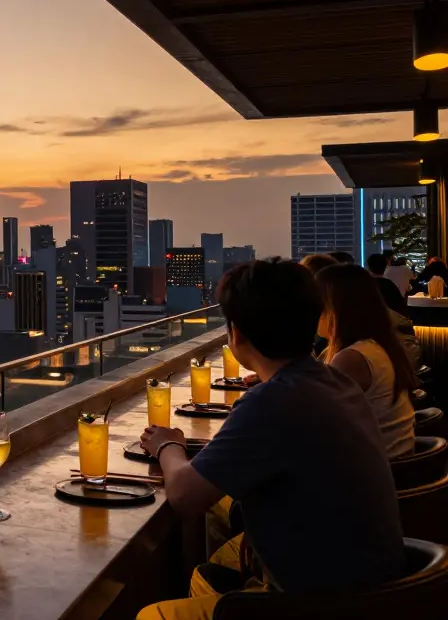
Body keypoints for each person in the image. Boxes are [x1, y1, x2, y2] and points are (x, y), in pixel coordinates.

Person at [136, 260, 404, 620]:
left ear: (237, 335)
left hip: (325, 602)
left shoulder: (274, 400)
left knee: (152, 615)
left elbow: (185, 496)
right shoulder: (332, 381)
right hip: (376, 588)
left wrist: (168, 444)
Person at [315, 263, 418, 457]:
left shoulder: (352, 358)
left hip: (377, 474)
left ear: (337, 309)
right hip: (393, 465)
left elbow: (319, 423)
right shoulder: (377, 346)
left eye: (317, 305)